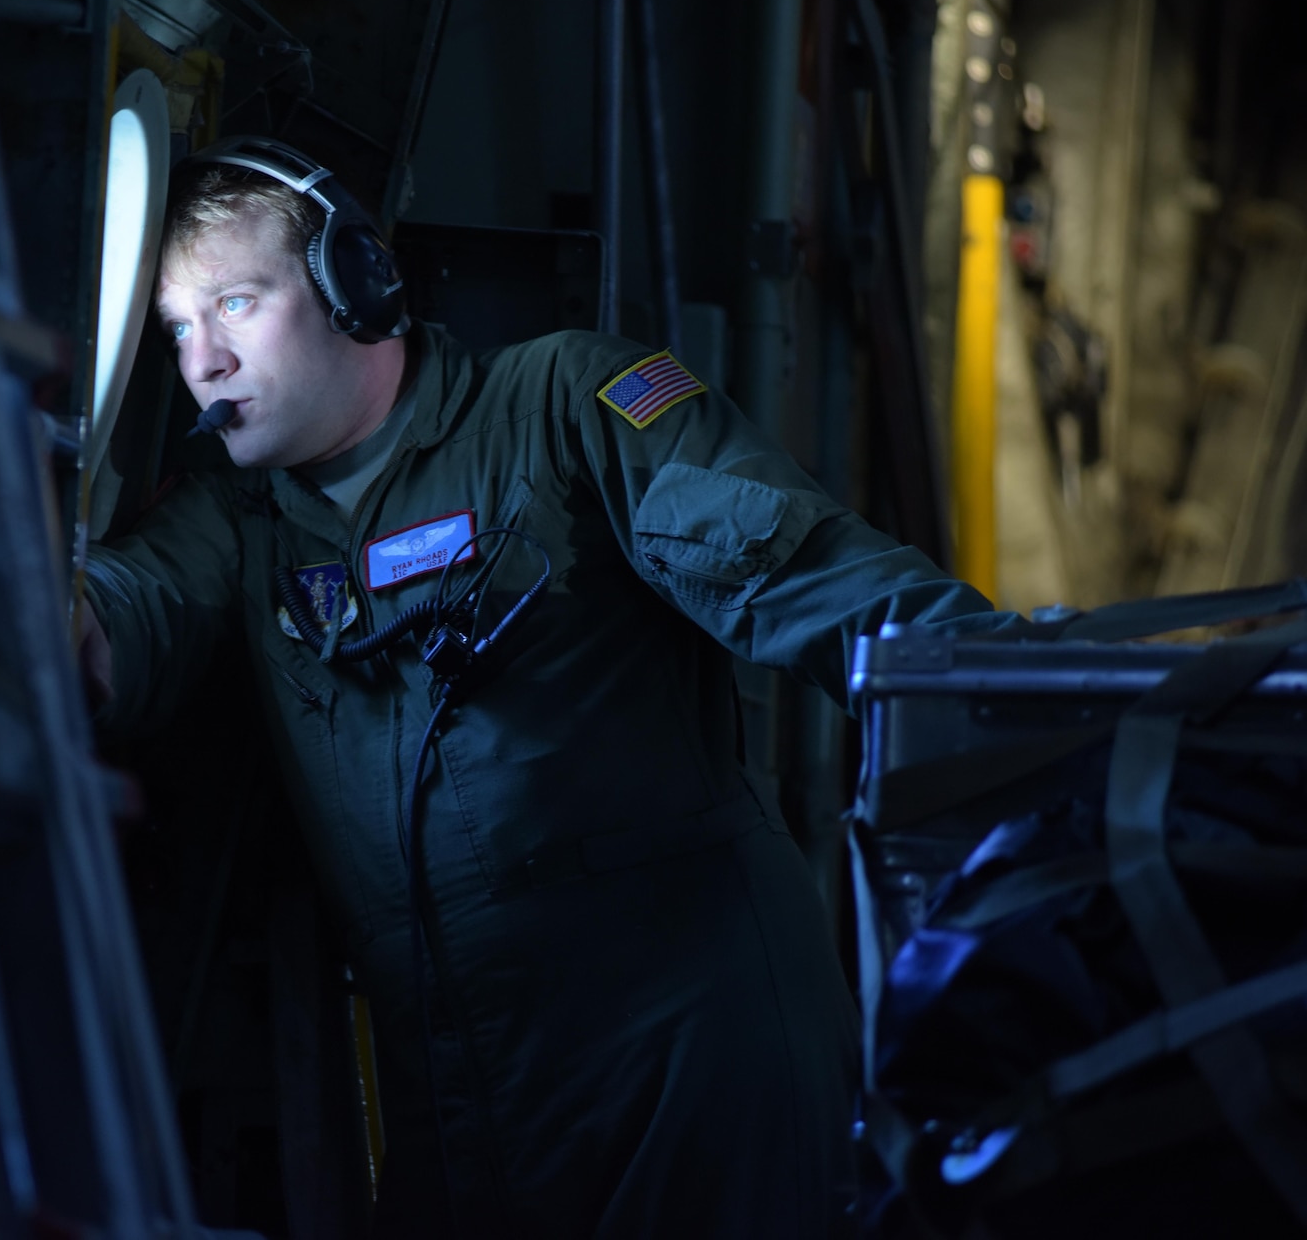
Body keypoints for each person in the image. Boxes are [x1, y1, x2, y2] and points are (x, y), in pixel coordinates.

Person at [78, 137, 1014, 1238]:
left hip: (682, 1062)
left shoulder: (563, 408)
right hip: (459, 1096)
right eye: (178, 328)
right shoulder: (241, 525)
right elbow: (113, 629)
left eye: (235, 303)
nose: (204, 363)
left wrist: (1036, 702)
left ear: (354, 281)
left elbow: (819, 586)